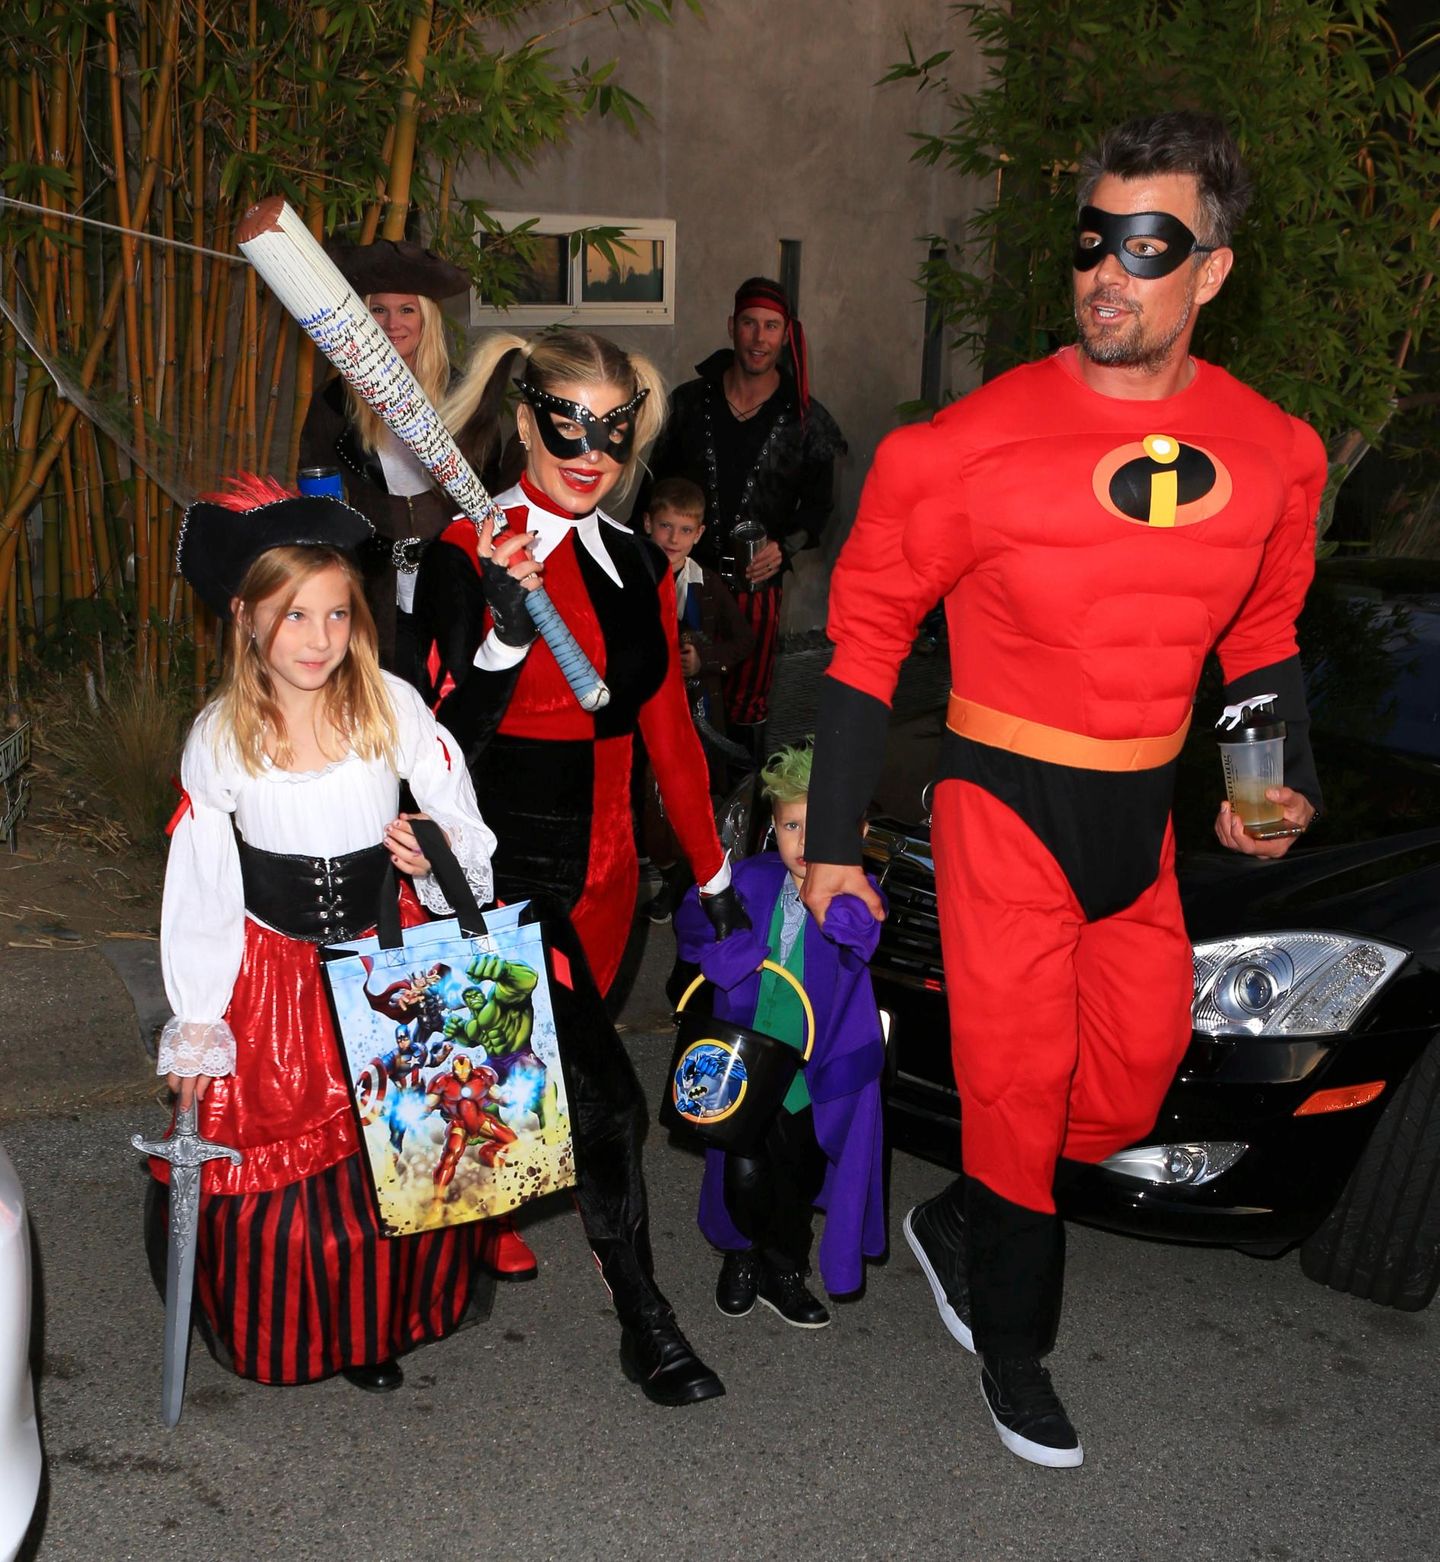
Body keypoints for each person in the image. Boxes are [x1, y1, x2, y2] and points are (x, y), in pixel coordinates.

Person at [802, 112, 1325, 1468]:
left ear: (1210, 270)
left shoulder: (1275, 453)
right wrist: (829, 842)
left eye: (1147, 246)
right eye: (1092, 240)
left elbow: (1262, 637)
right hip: (1004, 801)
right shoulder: (961, 449)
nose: (1108, 272)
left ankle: (967, 1213)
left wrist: (1263, 783)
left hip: (1137, 817)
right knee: (1022, 1088)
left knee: (1130, 1086)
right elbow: (863, 642)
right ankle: (1014, 1343)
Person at [413, 328, 740, 1406]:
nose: (592, 450)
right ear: (523, 420)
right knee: (600, 1097)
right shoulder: (467, 548)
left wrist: (711, 870)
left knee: (521, 1071)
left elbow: (669, 731)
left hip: (609, 868)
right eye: (571, 423)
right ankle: (645, 1314)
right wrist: (504, 633)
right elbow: (436, 729)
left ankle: (476, 1231)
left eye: (615, 426)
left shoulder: (641, 561)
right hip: (502, 856)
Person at [151, 473, 501, 1394]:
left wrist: (436, 854)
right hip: (275, 977)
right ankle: (296, 1332)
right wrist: (197, 1022)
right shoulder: (220, 737)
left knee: (398, 1159)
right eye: (295, 616)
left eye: (337, 616)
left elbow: (459, 813)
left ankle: (373, 1324)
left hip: (389, 960)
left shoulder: (388, 704)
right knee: (299, 1197)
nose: (319, 639)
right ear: (246, 618)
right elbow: (204, 888)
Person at [674, 743, 887, 1328]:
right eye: (793, 825)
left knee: (798, 1179)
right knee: (739, 1171)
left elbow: (855, 935)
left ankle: (783, 1268)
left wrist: (834, 890)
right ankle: (741, 1254)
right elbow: (694, 925)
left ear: (857, 832)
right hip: (739, 1063)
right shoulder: (751, 877)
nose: (804, 841)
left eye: (822, 830)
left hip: (808, 1078)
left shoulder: (856, 897)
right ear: (774, 827)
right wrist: (723, 949)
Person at [639, 277, 846, 763]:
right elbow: (653, 492)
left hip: (755, 591)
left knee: (746, 708)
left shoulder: (807, 420)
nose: (758, 337)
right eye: (750, 323)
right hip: (681, 580)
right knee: (670, 694)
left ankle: (740, 815)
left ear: (786, 333)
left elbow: (819, 509)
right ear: (732, 326)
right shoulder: (689, 403)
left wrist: (785, 546)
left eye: (771, 326)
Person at [297, 237, 493, 681]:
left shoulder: (465, 398)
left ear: (427, 317)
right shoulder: (335, 402)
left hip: (453, 580)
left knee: (452, 696)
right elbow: (316, 496)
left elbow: (492, 493)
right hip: (371, 585)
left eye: (407, 310)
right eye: (379, 309)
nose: (392, 323)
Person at [639, 475, 754, 922]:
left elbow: (742, 641)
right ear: (649, 523)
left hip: (701, 714)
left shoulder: (707, 583)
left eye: (686, 530)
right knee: (653, 802)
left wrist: (704, 660)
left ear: (700, 533)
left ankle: (682, 887)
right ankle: (668, 871)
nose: (674, 538)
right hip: (647, 714)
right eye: (666, 526)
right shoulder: (632, 572)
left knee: (699, 798)